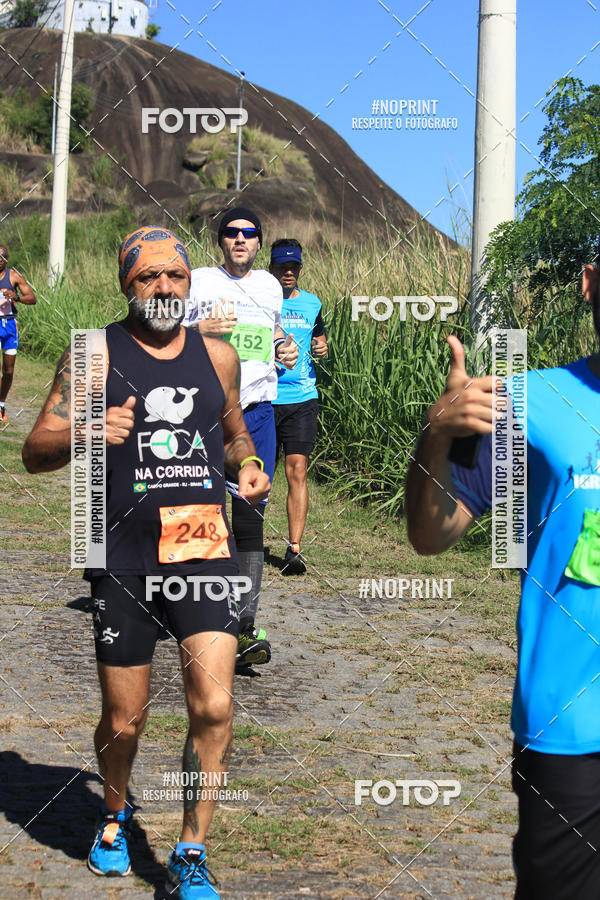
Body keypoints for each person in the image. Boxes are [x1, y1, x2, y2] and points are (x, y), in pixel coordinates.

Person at [22, 226, 271, 900]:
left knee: (214, 706)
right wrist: (85, 431)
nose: (164, 288)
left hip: (200, 541)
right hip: (122, 549)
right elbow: (32, 450)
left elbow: (232, 428)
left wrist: (246, 461)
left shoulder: (217, 356)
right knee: (125, 718)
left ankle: (190, 850)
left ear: (190, 283)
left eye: (175, 277)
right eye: (148, 278)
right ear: (125, 283)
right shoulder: (93, 355)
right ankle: (113, 812)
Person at [405, 254, 600, 899]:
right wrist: (435, 437)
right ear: (591, 282)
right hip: (571, 728)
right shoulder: (527, 404)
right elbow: (430, 535)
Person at [183, 208, 298, 667]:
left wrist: (284, 347)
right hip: (204, 415)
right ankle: (197, 616)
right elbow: (158, 331)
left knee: (249, 519)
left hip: (258, 416)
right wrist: (197, 330)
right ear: (220, 241)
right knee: (203, 516)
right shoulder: (198, 280)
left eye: (250, 235)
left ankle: (244, 627)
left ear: (258, 243)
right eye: (232, 233)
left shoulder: (271, 286)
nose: (240, 240)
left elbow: (273, 333)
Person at [269, 239, 327, 574]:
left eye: (293, 267)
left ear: (300, 269)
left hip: (302, 398)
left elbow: (320, 339)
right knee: (261, 475)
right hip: (265, 397)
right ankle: (246, 542)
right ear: (271, 268)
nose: (287, 272)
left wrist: (322, 349)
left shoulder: (312, 303)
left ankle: (294, 550)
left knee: (297, 471)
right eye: (281, 267)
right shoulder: (260, 300)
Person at [0, 244, 36, 423]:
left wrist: (16, 297)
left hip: (9, 326)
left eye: (0, 259)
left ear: (5, 260)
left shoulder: (13, 276)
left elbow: (32, 298)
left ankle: (1, 405)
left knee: (8, 370)